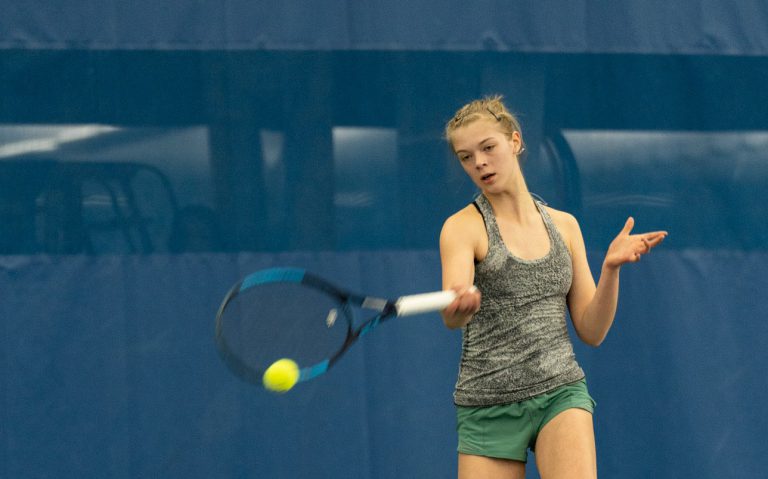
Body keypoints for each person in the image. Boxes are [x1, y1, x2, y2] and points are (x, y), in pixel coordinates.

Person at [439, 95, 667, 479]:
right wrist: (458, 307)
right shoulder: (462, 228)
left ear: (514, 141)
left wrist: (610, 269)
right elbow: (453, 309)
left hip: (560, 392)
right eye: (466, 156)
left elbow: (592, 330)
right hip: (486, 403)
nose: (478, 162)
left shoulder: (565, 226)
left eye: (487, 147)